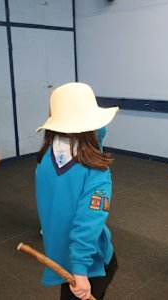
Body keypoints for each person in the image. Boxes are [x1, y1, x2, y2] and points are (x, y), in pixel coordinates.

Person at [35, 82, 119, 300]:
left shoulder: (44, 159)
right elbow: (89, 220)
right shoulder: (96, 170)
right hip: (88, 261)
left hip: (59, 251)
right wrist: (80, 270)